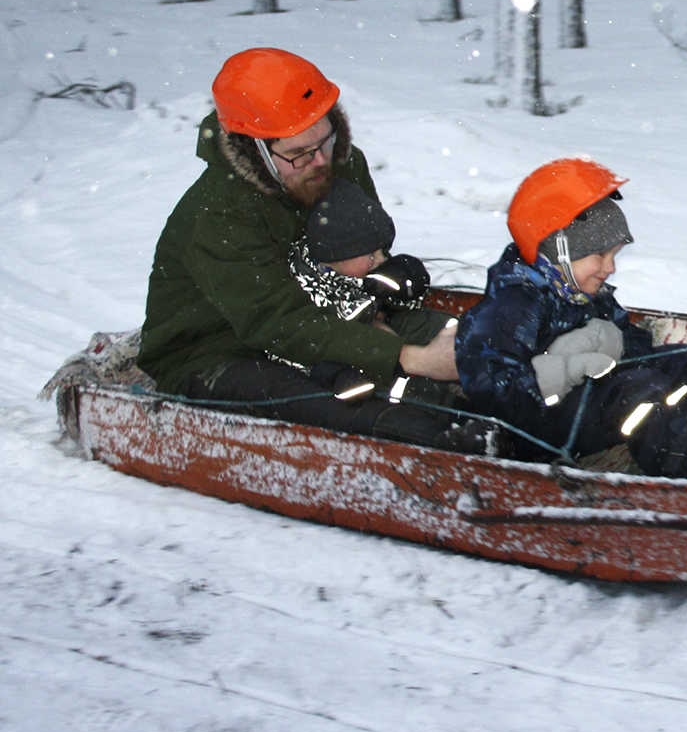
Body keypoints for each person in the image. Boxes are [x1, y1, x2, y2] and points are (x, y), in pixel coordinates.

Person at [137, 48, 464, 448]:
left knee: (443, 341)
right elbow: (276, 322)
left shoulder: (338, 162)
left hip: (325, 316)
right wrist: (410, 358)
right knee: (337, 406)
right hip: (218, 349)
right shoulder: (218, 213)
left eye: (325, 140)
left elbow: (356, 250)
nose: (320, 161)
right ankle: (442, 449)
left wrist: (387, 281)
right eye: (298, 154)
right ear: (252, 150)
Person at [455, 157, 687, 480]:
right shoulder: (514, 305)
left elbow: (631, 340)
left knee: (680, 361)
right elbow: (491, 388)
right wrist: (565, 369)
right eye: (599, 255)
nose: (610, 269)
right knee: (636, 392)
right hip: (537, 429)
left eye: (615, 255)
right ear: (558, 249)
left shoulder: (582, 293)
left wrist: (619, 345)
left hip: (590, 399)